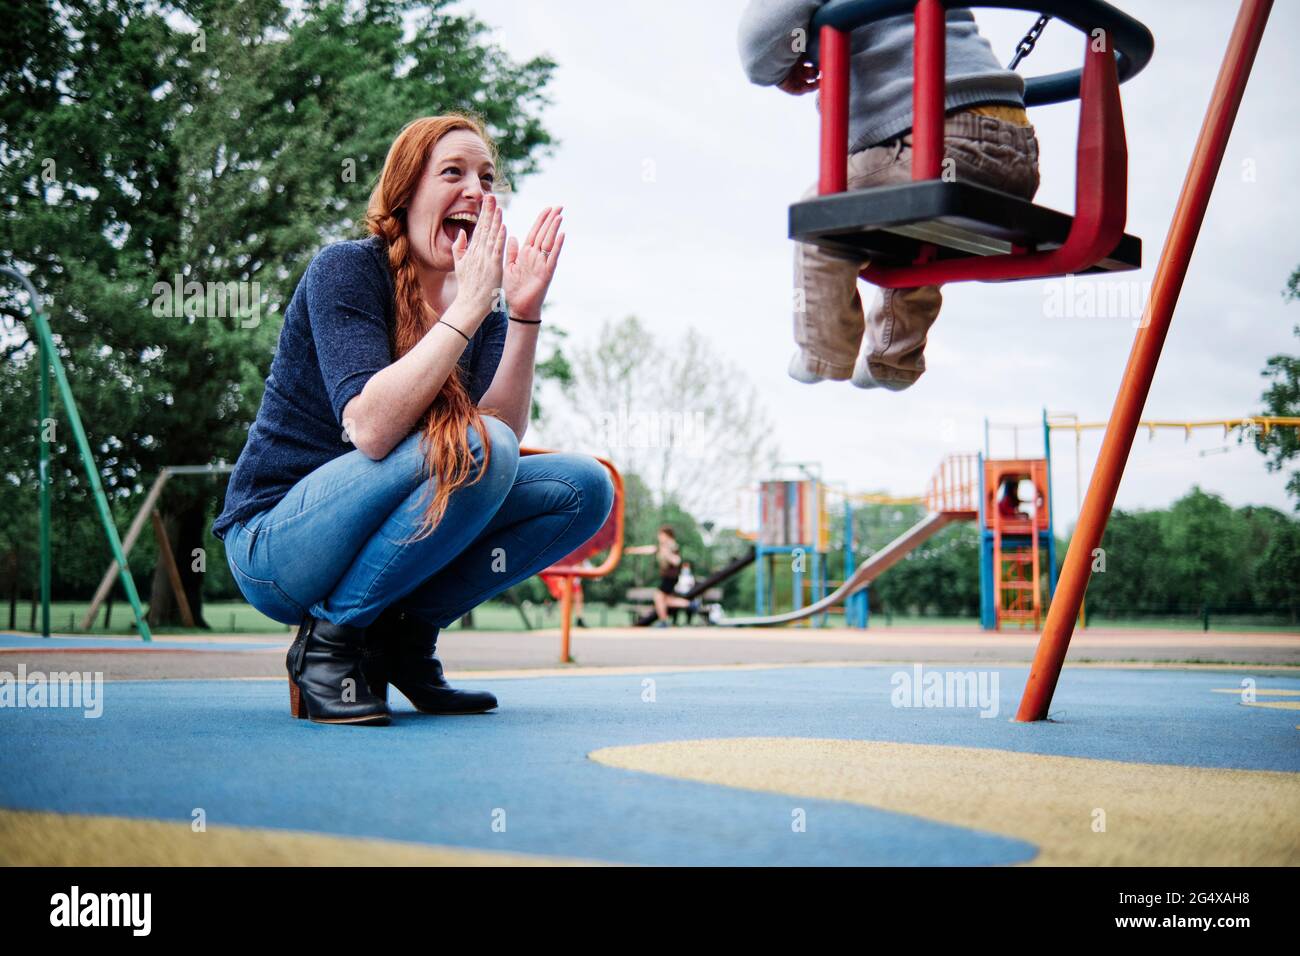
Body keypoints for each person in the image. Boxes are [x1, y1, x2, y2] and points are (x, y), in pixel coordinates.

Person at [211, 114, 615, 726]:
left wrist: (522, 315)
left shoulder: (480, 312)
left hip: (377, 541)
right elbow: (370, 430)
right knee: (480, 447)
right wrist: (473, 309)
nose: (476, 190)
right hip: (278, 546)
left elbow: (499, 438)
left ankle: (402, 638)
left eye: (486, 176)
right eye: (452, 172)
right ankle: (328, 643)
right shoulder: (347, 270)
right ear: (405, 194)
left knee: (583, 488)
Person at [738, 1, 1041, 391]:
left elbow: (758, 47)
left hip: (942, 140)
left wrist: (783, 65)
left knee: (826, 211)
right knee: (908, 224)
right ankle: (892, 358)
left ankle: (824, 350)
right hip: (1017, 156)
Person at [626, 526, 699, 627]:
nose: (659, 537)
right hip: (668, 577)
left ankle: (664, 621)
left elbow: (677, 561)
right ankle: (689, 605)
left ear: (667, 535)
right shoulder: (663, 546)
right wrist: (634, 550)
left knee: (658, 597)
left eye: (661, 535)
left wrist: (667, 554)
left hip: (670, 577)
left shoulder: (672, 546)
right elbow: (650, 549)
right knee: (665, 600)